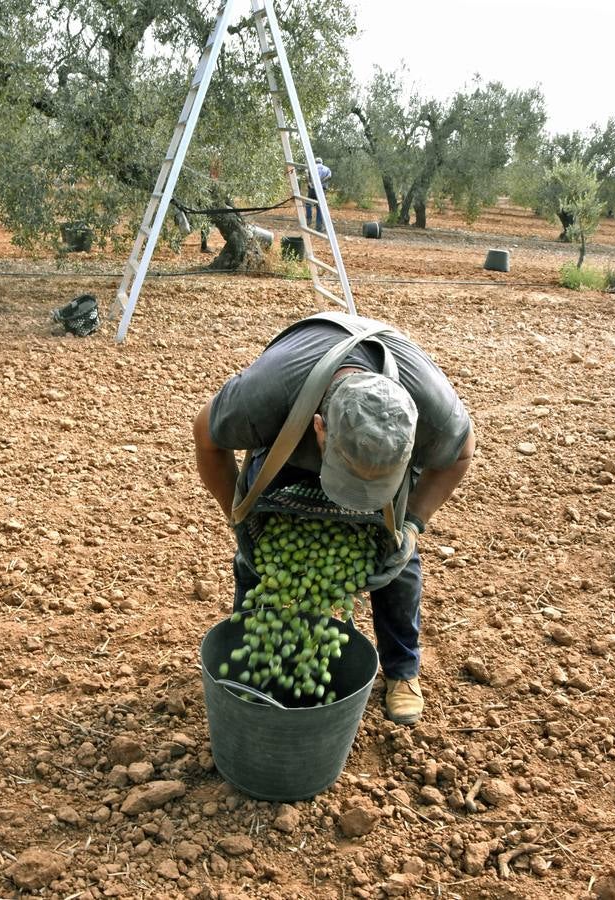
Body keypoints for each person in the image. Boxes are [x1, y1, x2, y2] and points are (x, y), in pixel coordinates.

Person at [193, 311, 475, 725]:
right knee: (262, 555)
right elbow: (206, 437)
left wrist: (413, 523)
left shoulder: (433, 409)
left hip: (377, 449)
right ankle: (255, 655)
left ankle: (401, 670)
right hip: (290, 442)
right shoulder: (264, 396)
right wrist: (238, 519)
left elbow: (463, 453)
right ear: (321, 430)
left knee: (397, 557)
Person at [306, 157, 331, 233]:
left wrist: (309, 183)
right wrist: (321, 181)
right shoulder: (327, 168)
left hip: (312, 189)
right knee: (319, 207)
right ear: (321, 162)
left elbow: (306, 174)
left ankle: (309, 219)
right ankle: (318, 226)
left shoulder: (312, 167)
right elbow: (329, 176)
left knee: (308, 204)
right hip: (321, 190)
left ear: (315, 162)